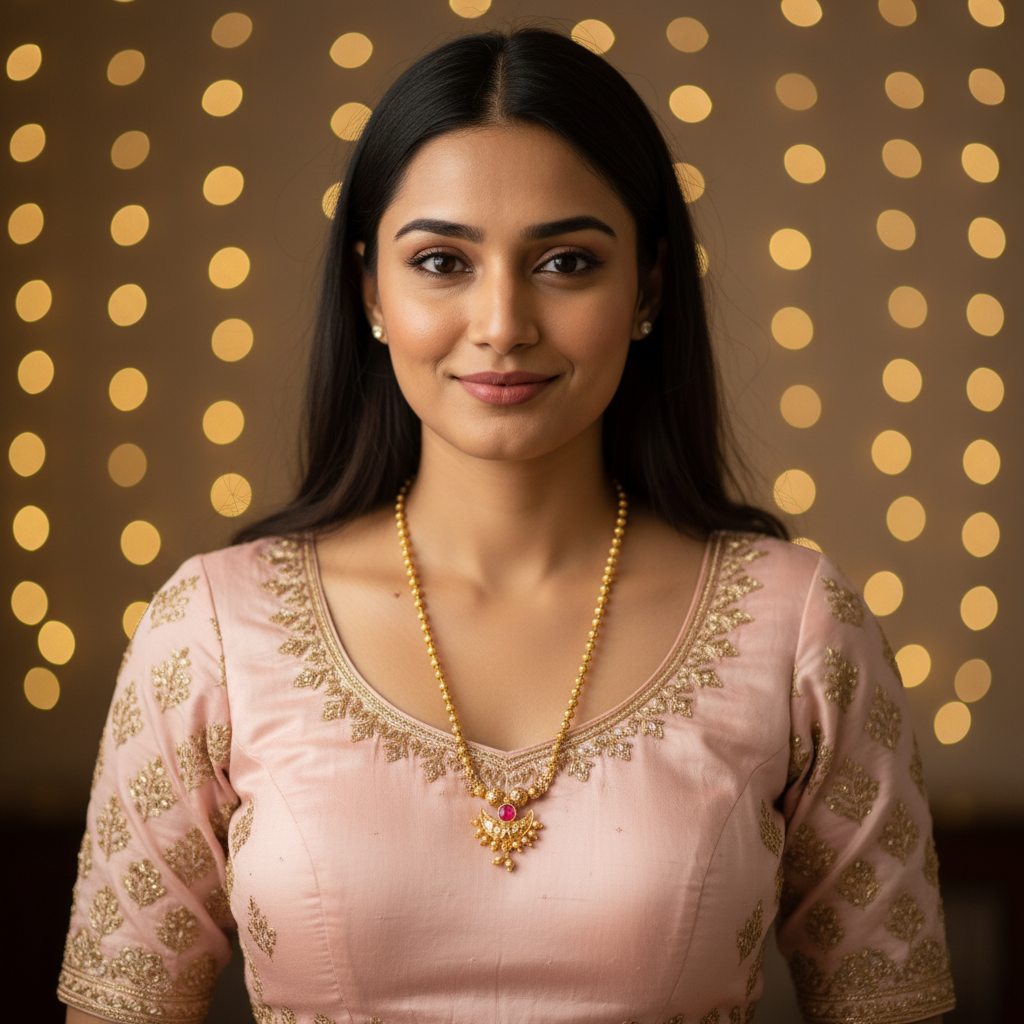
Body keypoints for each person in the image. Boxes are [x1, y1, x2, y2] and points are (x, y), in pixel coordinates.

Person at [60, 27, 954, 1024]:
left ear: (648, 287)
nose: (501, 322)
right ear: (370, 290)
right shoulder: (217, 628)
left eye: (566, 261)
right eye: (441, 260)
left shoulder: (794, 626)